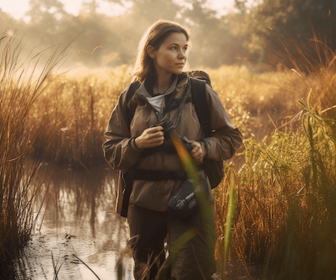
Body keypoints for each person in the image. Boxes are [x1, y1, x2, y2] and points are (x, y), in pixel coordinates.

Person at [103, 20, 243, 280]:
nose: (182, 55)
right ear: (152, 51)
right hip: (143, 202)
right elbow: (111, 149)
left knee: (193, 271)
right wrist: (137, 143)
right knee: (148, 274)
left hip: (192, 197)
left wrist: (204, 147)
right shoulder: (131, 95)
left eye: (185, 48)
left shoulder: (200, 92)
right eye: (173, 48)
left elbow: (231, 138)